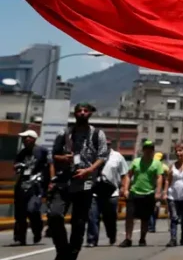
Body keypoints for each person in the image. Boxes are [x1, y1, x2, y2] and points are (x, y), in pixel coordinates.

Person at [49, 102, 109, 260]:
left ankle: (72, 254)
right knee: (54, 215)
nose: (82, 113)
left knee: (79, 222)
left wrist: (88, 170)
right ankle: (62, 250)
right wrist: (64, 158)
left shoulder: (97, 134)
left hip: (85, 183)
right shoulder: (64, 133)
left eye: (85, 111)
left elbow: (102, 156)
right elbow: (54, 155)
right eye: (79, 111)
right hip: (64, 182)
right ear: (74, 114)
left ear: (90, 114)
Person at [120, 140, 164, 247]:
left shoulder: (157, 164)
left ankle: (142, 238)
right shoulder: (136, 162)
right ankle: (128, 239)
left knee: (145, 218)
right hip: (134, 192)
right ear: (143, 150)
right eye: (146, 148)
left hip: (148, 193)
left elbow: (159, 177)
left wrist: (158, 192)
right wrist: (125, 189)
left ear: (153, 151)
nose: (148, 151)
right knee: (129, 217)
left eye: (150, 149)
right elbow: (128, 175)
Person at [87, 144, 128, 247]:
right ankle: (92, 240)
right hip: (95, 192)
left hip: (111, 193)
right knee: (92, 216)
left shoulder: (117, 156)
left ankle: (112, 236)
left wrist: (124, 188)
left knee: (110, 218)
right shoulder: (92, 155)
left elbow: (124, 174)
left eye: (107, 144)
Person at [13, 130, 48, 246]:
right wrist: (18, 167)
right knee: (20, 213)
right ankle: (20, 237)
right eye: (23, 139)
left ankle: (37, 229)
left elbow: (49, 166)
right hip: (22, 185)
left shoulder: (42, 151)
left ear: (33, 139)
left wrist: (49, 183)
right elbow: (15, 165)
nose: (24, 140)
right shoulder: (21, 153)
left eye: (26, 138)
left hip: (36, 185)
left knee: (32, 209)